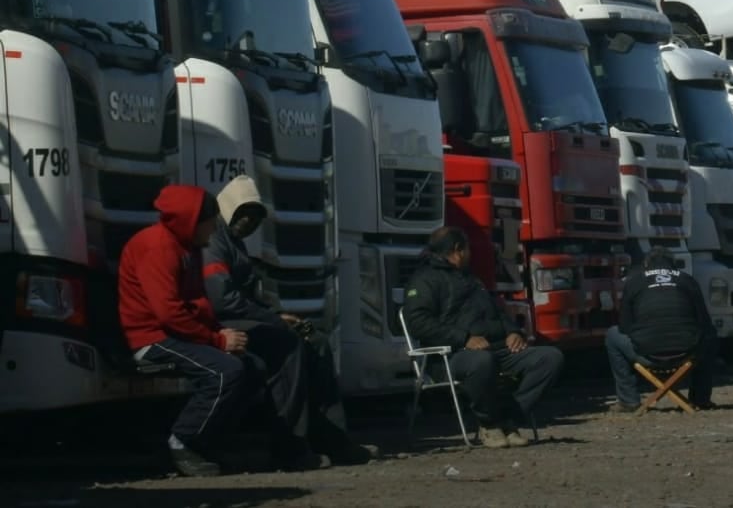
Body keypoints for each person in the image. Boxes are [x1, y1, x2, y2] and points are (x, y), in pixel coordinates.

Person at [204, 175, 368, 465]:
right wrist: (276, 320)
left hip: (244, 318)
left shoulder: (234, 243)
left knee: (316, 343)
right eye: (244, 214)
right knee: (289, 346)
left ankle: (334, 440)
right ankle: (289, 446)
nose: (250, 222)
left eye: (256, 217)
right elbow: (223, 300)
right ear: (228, 208)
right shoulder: (215, 243)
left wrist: (277, 316)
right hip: (220, 323)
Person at [118, 184, 254, 477]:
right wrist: (218, 340)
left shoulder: (187, 248)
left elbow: (196, 305)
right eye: (209, 222)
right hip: (152, 337)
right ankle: (183, 442)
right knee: (225, 372)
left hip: (174, 333)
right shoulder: (158, 247)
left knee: (249, 365)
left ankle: (206, 444)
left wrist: (220, 333)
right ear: (191, 221)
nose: (214, 228)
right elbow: (168, 313)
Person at [402, 226, 565, 447]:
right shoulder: (424, 280)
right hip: (452, 355)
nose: (471, 253)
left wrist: (513, 332)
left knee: (549, 358)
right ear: (458, 250)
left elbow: (497, 312)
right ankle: (489, 424)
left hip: (496, 348)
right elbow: (419, 324)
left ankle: (508, 419)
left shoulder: (471, 279)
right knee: (482, 362)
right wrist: (464, 338)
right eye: (468, 249)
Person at [606, 247, 717, 411]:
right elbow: (704, 322)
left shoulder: (634, 281)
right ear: (673, 265)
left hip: (647, 353)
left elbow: (624, 326)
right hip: (686, 352)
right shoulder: (687, 280)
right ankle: (700, 398)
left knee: (612, 334)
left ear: (646, 264)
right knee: (710, 334)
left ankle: (628, 400)